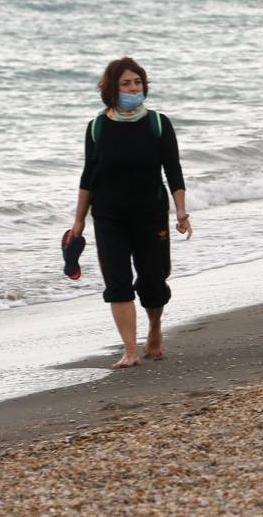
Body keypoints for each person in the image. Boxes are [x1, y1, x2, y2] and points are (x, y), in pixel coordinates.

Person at [71, 57, 192, 368]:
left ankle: (154, 327)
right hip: (109, 216)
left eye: (137, 82)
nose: (133, 88)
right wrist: (78, 221)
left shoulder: (158, 123)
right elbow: (89, 175)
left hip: (151, 213)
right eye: (126, 83)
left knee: (153, 280)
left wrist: (180, 210)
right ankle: (129, 349)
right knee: (117, 282)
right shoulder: (97, 127)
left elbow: (173, 170)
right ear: (113, 88)